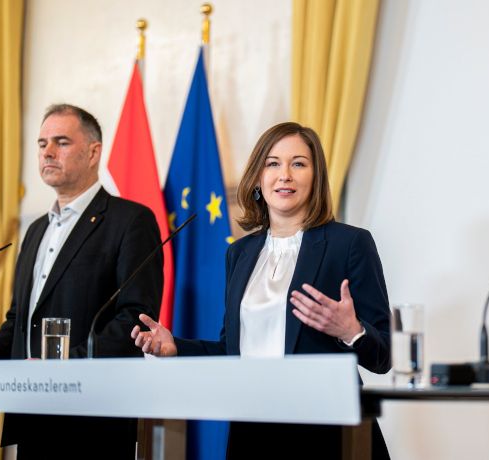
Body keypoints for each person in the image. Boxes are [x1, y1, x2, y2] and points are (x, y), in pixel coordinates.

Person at [132, 121, 392, 459]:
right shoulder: (239, 254)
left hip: (328, 432)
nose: (285, 174)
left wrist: (352, 332)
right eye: (273, 163)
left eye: (298, 163)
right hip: (253, 428)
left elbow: (385, 355)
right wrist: (175, 347)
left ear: (315, 178)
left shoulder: (349, 244)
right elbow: (233, 351)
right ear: (258, 178)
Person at [0, 104, 163, 459]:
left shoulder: (130, 221)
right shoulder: (36, 230)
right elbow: (19, 320)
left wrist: (69, 365)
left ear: (93, 152)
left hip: (94, 418)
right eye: (41, 144)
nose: (47, 152)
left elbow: (135, 318)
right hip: (33, 413)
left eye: (61, 142)